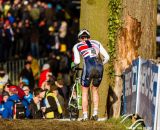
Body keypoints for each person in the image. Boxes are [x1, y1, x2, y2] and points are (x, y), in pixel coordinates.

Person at [72, 29, 110, 121]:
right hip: (99, 67)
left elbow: (77, 61)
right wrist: (100, 64)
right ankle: (95, 114)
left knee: (85, 91)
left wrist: (73, 65)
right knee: (95, 89)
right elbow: (107, 57)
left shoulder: (77, 45)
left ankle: (85, 116)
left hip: (88, 67)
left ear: (79, 38)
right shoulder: (96, 42)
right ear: (89, 37)